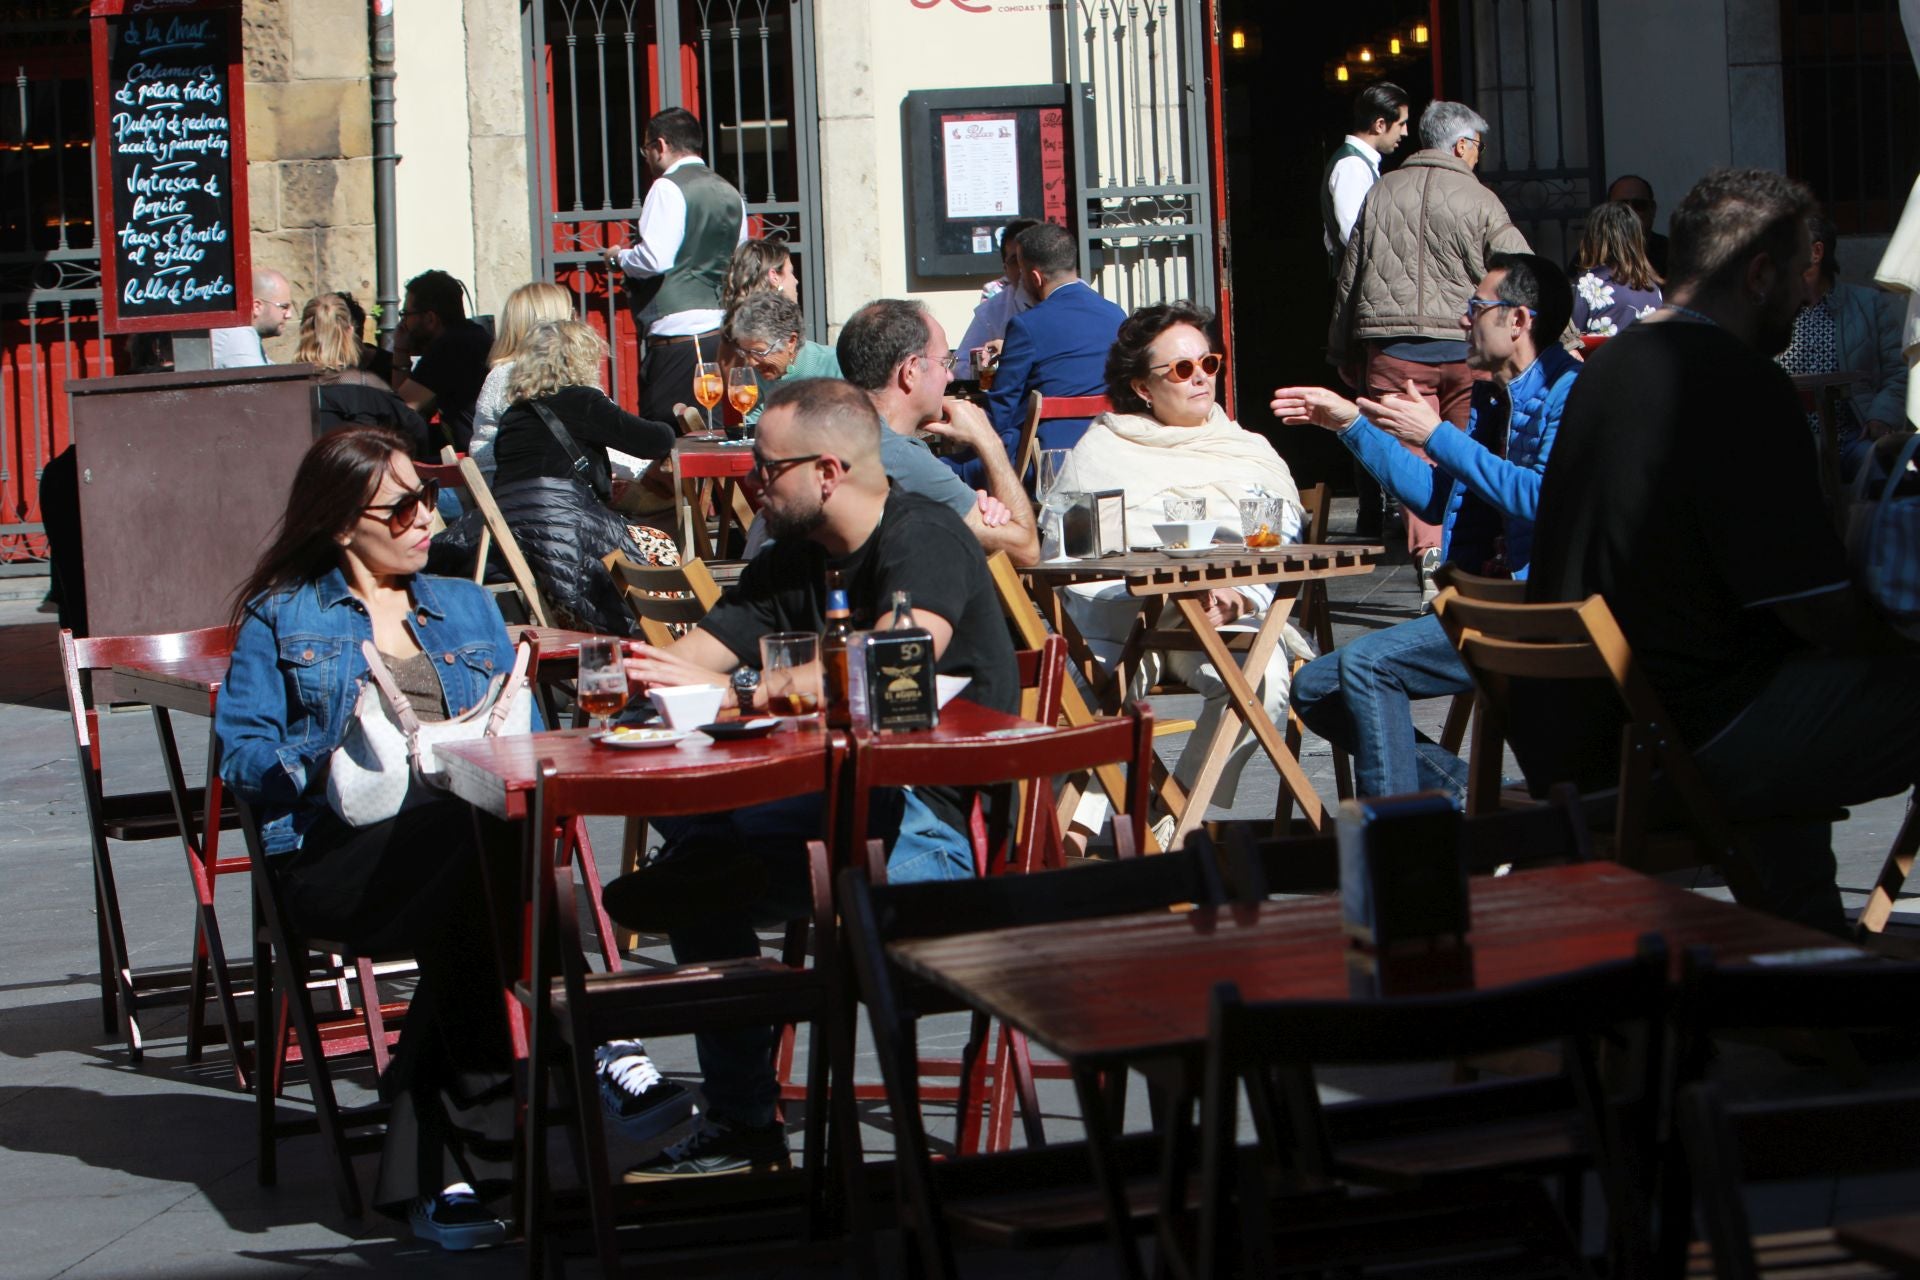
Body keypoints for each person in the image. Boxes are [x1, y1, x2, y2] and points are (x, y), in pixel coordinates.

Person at [212, 426, 656, 1248]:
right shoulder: (283, 619)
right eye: (406, 505)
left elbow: (513, 739)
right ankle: (594, 1033)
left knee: (477, 866)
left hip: (461, 856)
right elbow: (240, 760)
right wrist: (335, 742)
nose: (431, 520)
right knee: (482, 849)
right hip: (333, 856)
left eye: (432, 500)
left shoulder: (464, 603)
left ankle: (445, 1176)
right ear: (344, 524)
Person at [605, 376, 1018, 1179]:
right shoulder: (794, 558)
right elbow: (696, 660)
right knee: (697, 847)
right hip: (822, 810)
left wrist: (737, 693)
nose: (749, 481)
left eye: (765, 468)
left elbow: (899, 663)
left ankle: (710, 906)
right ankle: (743, 1111)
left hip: (927, 823)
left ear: (827, 471)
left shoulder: (922, 534)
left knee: (703, 869)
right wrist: (639, 674)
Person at [1522, 168, 1920, 936]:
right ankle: (1808, 967)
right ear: (1760, 273)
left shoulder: (1603, 372)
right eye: (1804, 270)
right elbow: (1816, 610)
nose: (1812, 296)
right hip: (1688, 743)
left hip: (1583, 738)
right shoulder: (1738, 386)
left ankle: (1805, 960)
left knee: (1779, 677)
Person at [1278, 254, 1580, 802]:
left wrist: (1439, 435)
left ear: (1518, 321)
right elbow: (1440, 502)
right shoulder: (1492, 396)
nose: (1464, 321)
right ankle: (1469, 796)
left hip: (1530, 608)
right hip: (1477, 601)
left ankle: (1399, 840)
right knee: (1315, 686)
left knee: (1368, 665)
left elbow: (1542, 499)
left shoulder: (1568, 391)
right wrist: (1350, 423)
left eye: (1476, 308)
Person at [1049, 302, 1311, 842]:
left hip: (1216, 621)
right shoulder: (1102, 447)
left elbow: (1278, 540)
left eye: (1208, 365)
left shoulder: (1248, 451)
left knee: (1261, 678)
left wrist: (1242, 596)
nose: (1201, 380)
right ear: (1142, 387)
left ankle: (1173, 818)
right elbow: (1069, 548)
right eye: (1182, 370)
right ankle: (1077, 827)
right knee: (1084, 688)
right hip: (1122, 619)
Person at [1331, 100, 1533, 608]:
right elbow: (1523, 271)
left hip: (1394, 346)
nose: (1479, 156)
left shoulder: (1381, 191)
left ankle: (1429, 557)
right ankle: (1469, 564)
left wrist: (1341, 347)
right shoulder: (1480, 198)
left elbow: (1351, 275)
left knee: (1410, 454)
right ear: (1463, 146)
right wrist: (1562, 340)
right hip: (1466, 347)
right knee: (1466, 456)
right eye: (1478, 147)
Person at [836, 298, 1040, 566]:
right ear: (910, 371)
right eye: (946, 362)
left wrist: (962, 505)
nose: (950, 377)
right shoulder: (898, 457)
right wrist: (988, 441)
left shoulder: (838, 430)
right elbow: (1025, 549)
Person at [606, 107, 749, 422]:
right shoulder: (730, 192)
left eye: (647, 150)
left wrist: (620, 257)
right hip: (720, 334)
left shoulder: (667, 187)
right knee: (710, 433)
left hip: (679, 337)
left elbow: (655, 258)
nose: (648, 159)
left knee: (668, 437)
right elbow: (740, 260)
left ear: (660, 145)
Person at [970, 220, 1128, 485]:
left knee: (953, 469)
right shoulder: (1116, 315)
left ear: (1034, 277)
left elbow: (1001, 412)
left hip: (1046, 467)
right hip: (1110, 458)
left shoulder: (1027, 325)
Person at [1777, 214, 1909, 479]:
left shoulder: (1869, 305)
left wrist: (1880, 417)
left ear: (1816, 252)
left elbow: (1899, 370)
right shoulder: (1771, 312)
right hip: (1788, 444)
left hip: (1853, 438)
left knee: (1878, 472)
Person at [299, 293, 433, 457]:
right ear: (350, 332)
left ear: (303, 333)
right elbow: (415, 428)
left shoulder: (288, 388)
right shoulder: (367, 386)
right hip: (360, 477)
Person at [468, 281, 575, 477]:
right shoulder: (553, 376)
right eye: (571, 317)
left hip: (501, 492)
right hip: (544, 495)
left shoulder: (498, 375)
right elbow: (604, 434)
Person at [390, 269, 494, 453]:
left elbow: (402, 410)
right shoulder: (473, 335)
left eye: (406, 315)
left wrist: (400, 349)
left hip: (475, 461)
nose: (403, 324)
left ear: (430, 318)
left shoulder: (449, 347)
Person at [1323, 81, 1411, 271]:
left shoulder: (1358, 163)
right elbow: (1355, 236)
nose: (1405, 132)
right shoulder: (1352, 166)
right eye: (1401, 124)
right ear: (1380, 124)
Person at [721, 291, 841, 429]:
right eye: (745, 352)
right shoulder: (756, 376)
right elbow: (755, 434)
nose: (751, 362)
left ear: (790, 341)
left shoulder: (835, 365)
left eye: (759, 352)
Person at [953, 216, 1041, 377]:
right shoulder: (992, 311)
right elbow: (962, 366)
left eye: (1030, 258)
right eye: (1016, 261)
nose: (1024, 268)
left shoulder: (1077, 297)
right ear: (1005, 269)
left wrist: (1013, 352)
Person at [1570, 201, 1664, 338]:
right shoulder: (1652, 289)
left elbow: (1570, 340)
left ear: (1592, 238)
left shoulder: (1587, 285)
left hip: (1602, 358)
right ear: (1637, 239)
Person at [210, 266, 293, 368]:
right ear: (257, 307)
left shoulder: (243, 333)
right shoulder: (239, 336)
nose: (289, 315)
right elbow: (260, 382)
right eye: (284, 307)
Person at [1604, 174, 1670, 277]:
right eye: (1621, 206)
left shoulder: (1672, 254)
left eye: (1639, 205)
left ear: (1652, 210)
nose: (1631, 212)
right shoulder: (1592, 255)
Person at [719, 237, 800, 313]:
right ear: (774, 276)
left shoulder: (736, 321)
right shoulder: (775, 324)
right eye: (791, 272)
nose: (796, 281)